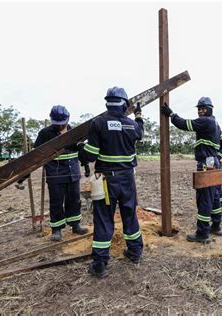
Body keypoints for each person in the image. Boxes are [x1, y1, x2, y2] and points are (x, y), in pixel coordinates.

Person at [78, 86, 144, 278]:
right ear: (125, 105)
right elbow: (140, 131)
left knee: (104, 219)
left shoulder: (98, 123)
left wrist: (80, 148)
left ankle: (99, 264)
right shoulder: (132, 125)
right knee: (129, 214)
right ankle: (135, 252)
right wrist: (139, 115)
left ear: (107, 102)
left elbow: (90, 154)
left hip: (106, 181)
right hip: (127, 179)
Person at [16, 105, 88, 241]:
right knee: (56, 202)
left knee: (74, 200)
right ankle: (56, 229)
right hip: (55, 173)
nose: (61, 127)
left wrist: (85, 165)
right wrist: (23, 176)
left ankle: (75, 224)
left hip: (73, 172)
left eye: (63, 124)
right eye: (58, 124)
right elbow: (35, 156)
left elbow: (81, 150)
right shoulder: (45, 133)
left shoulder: (74, 131)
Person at [160, 97, 222, 243]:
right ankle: (216, 225)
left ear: (209, 109)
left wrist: (171, 114)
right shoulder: (216, 123)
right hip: (213, 162)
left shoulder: (206, 121)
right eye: (199, 109)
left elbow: (185, 124)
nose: (200, 111)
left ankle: (202, 233)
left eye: (203, 108)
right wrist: (217, 156)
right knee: (214, 197)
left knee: (204, 198)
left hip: (207, 164)